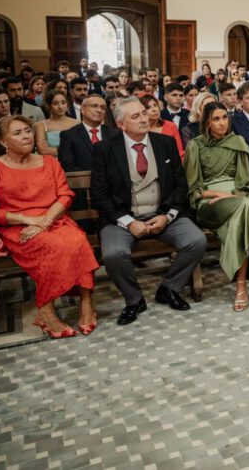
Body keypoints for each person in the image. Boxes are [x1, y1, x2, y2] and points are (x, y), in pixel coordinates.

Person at [0, 116, 100, 337]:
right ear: (3, 142)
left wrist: (45, 221)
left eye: (27, 131)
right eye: (17, 133)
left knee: (77, 241)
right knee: (50, 245)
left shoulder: (50, 162)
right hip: (18, 226)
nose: (26, 136)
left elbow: (65, 195)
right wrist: (26, 219)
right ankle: (46, 310)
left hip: (54, 219)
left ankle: (87, 302)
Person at [91, 97, 208, 326]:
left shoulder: (164, 142)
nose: (144, 118)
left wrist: (168, 216)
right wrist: (128, 222)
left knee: (197, 241)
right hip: (122, 218)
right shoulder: (104, 150)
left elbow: (180, 184)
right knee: (114, 255)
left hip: (162, 213)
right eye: (136, 116)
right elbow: (100, 195)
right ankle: (134, 300)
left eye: (144, 113)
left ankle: (170, 287)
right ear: (121, 124)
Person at [184, 102, 249, 310]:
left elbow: (248, 183)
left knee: (242, 212)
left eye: (225, 117)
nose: (222, 123)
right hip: (210, 204)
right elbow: (193, 187)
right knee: (245, 207)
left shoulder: (238, 142)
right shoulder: (196, 145)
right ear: (206, 121)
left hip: (238, 200)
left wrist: (233, 195)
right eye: (216, 119)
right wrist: (218, 194)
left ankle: (241, 287)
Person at [58, 94, 117, 172]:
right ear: (82, 110)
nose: (99, 110)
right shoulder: (68, 135)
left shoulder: (115, 134)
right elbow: (67, 166)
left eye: (103, 108)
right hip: (83, 182)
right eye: (94, 106)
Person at [35, 89, 79, 157]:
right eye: (55, 103)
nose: (60, 107)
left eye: (63, 102)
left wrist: (52, 150)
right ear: (49, 105)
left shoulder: (77, 123)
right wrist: (72, 150)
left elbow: (83, 148)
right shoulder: (40, 125)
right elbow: (42, 150)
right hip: (51, 164)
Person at [141, 95, 184, 159]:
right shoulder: (140, 130)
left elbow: (180, 152)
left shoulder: (171, 126)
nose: (154, 109)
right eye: (148, 107)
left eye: (155, 105)